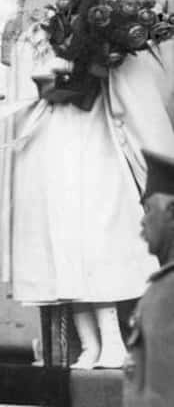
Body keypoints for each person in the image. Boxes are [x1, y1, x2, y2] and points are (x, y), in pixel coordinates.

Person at [0, 0, 174, 369]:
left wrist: (85, 69)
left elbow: (124, 74)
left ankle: (114, 339)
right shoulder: (52, 12)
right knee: (60, 230)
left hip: (94, 130)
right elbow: (14, 64)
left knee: (97, 228)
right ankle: (89, 342)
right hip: (57, 132)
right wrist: (18, 5)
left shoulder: (110, 6)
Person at [124, 149, 174, 407]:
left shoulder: (168, 292)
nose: (142, 221)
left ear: (172, 212)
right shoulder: (161, 287)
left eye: (149, 209)